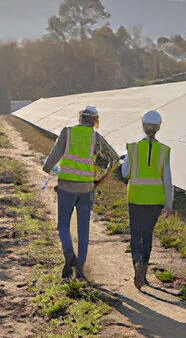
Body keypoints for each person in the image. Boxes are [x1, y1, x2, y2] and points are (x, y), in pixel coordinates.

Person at [41, 104, 119, 281]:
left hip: (66, 187)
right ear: (94, 120)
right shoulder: (96, 138)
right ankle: (81, 271)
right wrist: (100, 179)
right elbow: (114, 160)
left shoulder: (67, 133)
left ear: (80, 118)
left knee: (63, 225)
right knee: (83, 230)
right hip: (86, 189)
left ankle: (68, 253)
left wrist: (47, 169)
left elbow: (52, 159)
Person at [122, 109, 173, 290]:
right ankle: (144, 266)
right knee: (147, 234)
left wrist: (125, 162)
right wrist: (169, 204)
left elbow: (125, 172)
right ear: (158, 127)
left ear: (143, 126)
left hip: (135, 197)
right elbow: (167, 179)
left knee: (136, 234)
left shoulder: (133, 148)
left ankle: (137, 263)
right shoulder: (163, 151)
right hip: (155, 201)